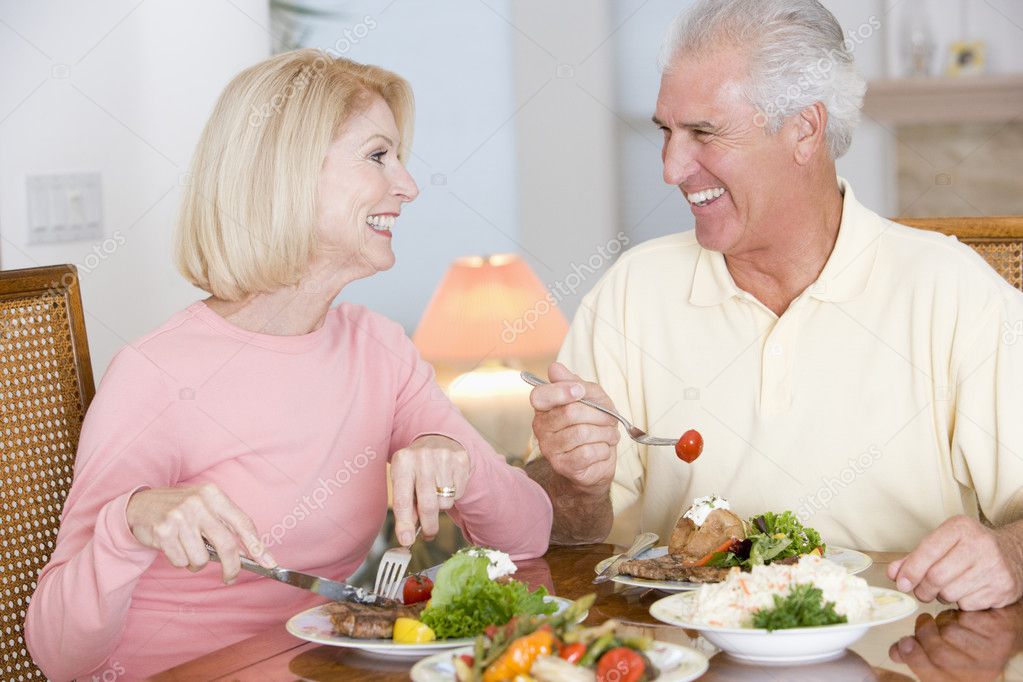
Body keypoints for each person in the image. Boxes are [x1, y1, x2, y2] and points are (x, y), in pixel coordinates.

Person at [25, 50, 552, 680]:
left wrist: (454, 458)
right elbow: (55, 655)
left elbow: (529, 536)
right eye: (379, 156)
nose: (408, 185)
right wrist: (128, 520)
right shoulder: (156, 374)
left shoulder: (377, 350)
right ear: (290, 174)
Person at [526, 0, 1023, 612]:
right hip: (686, 655)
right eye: (666, 131)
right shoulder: (632, 291)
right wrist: (576, 484)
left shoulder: (952, 291)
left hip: (900, 655)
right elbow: (562, 533)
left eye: (704, 133)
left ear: (804, 130)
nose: (671, 167)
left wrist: (1010, 555)